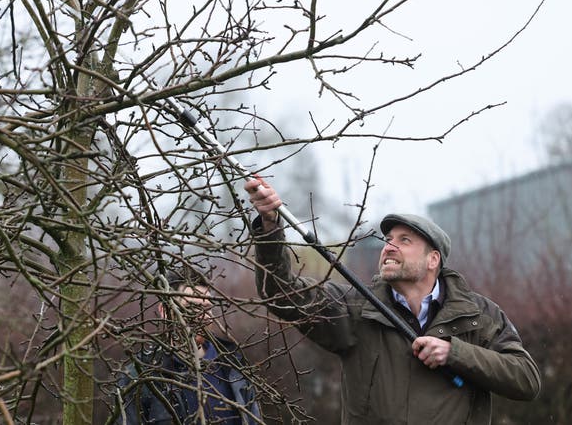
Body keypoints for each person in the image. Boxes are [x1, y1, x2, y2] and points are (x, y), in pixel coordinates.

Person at [244, 178, 541, 425]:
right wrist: (270, 228)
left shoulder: (479, 315)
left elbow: (526, 379)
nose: (389, 247)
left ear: (432, 259)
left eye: (404, 241)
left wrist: (455, 353)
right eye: (388, 240)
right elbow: (281, 294)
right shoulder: (355, 308)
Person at [114, 267, 261, 424]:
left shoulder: (234, 368)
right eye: (191, 308)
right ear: (165, 311)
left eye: (207, 309)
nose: (202, 317)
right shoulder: (140, 375)